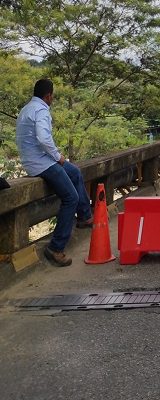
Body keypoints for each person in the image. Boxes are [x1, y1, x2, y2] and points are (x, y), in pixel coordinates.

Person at [16, 79, 93, 267]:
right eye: (53, 96)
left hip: (35, 160)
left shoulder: (27, 108)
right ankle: (56, 247)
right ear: (48, 95)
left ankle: (84, 216)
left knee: (74, 172)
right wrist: (58, 156)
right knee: (70, 198)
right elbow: (43, 138)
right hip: (41, 163)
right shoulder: (41, 110)